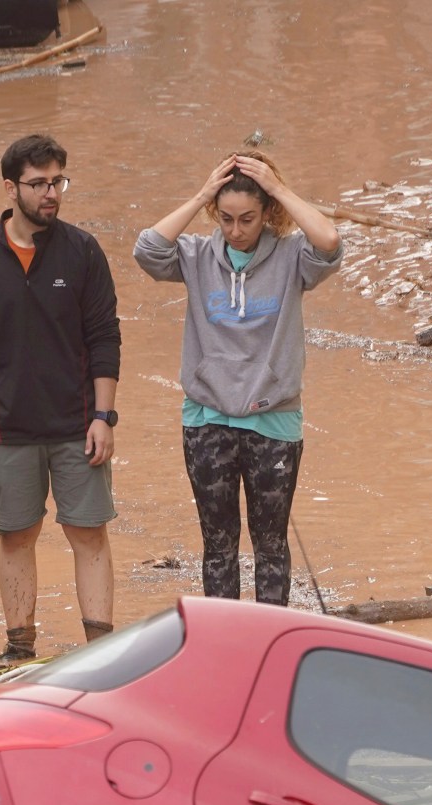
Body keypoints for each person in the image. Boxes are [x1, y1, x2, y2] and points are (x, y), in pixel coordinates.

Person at [134, 153, 341, 606]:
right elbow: (147, 249)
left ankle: (269, 646)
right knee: (218, 546)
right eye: (225, 219)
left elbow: (329, 242)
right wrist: (202, 194)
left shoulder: (292, 257)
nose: (236, 230)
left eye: (247, 218)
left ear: (267, 213)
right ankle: (224, 646)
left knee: (271, 547)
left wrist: (281, 188)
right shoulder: (194, 256)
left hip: (274, 423)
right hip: (207, 421)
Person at [0, 132, 121, 662]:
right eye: (40, 183)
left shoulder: (83, 251)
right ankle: (19, 650)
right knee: (16, 535)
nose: (52, 193)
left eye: (58, 181)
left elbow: (104, 337)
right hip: (4, 428)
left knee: (87, 532)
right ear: (11, 188)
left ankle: (100, 652)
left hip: (76, 425)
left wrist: (104, 416)